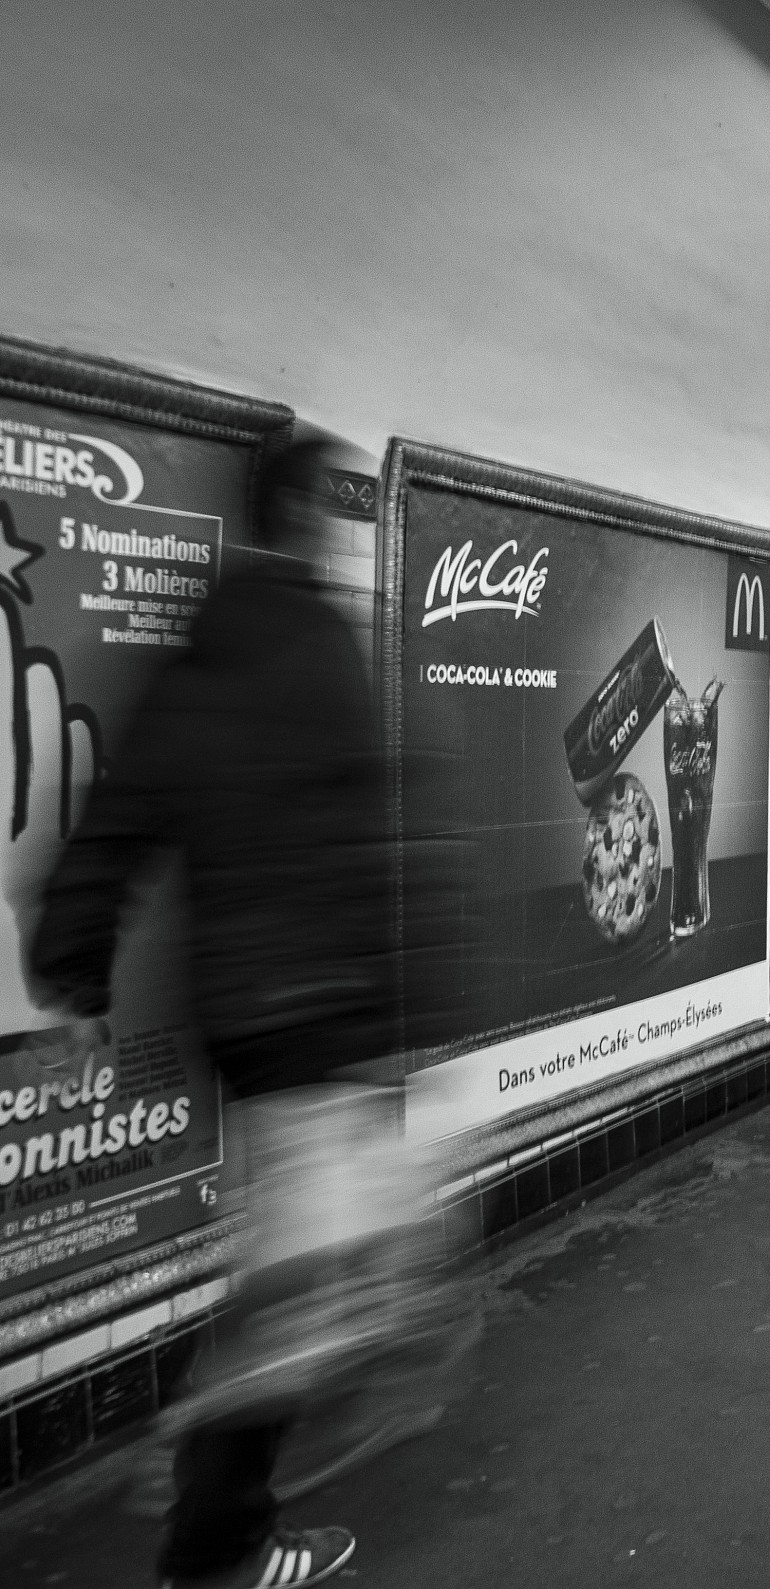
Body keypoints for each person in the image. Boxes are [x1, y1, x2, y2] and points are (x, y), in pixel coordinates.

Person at [29, 439, 408, 1589]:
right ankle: (218, 1538)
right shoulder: (325, 644)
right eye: (337, 511)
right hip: (320, 1022)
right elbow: (371, 847)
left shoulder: (207, 649)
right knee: (304, 1286)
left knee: (310, 1264)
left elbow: (121, 816)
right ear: (300, 514)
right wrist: (406, 1018)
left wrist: (75, 975)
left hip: (248, 1021)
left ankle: (209, 1463)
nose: (346, 532)